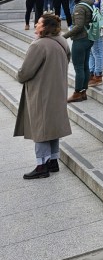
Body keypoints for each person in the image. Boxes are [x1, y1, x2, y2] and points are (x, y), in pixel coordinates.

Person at [15, 14, 73, 179]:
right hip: (58, 89)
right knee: (52, 126)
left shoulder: (39, 45)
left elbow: (25, 72)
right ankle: (53, 161)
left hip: (41, 92)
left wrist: (20, 76)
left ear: (45, 27)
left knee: (40, 128)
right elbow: (67, 59)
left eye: (38, 23)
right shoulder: (61, 41)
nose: (35, 25)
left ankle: (42, 165)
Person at [63, 0, 95, 103]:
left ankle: (77, 93)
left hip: (80, 39)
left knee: (79, 67)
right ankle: (83, 92)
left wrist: (64, 36)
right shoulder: (90, 2)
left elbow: (79, 26)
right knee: (85, 65)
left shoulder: (80, 7)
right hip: (89, 38)